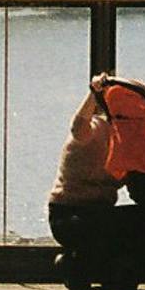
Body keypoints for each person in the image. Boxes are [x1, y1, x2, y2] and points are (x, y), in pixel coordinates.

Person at [47, 80, 123, 260]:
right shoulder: (94, 129)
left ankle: (87, 264)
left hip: (97, 213)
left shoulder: (126, 141)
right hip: (69, 214)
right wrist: (93, 93)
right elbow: (79, 125)